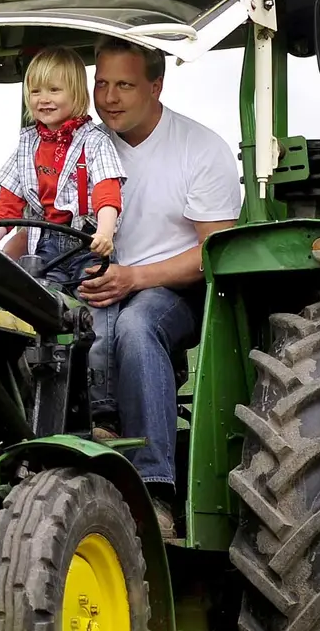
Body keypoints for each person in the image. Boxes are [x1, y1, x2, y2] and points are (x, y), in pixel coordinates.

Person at [77, 37, 243, 539]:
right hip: (95, 284)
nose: (109, 98)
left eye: (124, 85)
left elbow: (214, 253)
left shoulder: (198, 148)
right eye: (100, 84)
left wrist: (134, 277)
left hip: (176, 290)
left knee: (137, 322)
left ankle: (155, 486)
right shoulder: (81, 145)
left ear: (156, 85)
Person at [0, 45, 127, 289]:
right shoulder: (27, 145)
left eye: (54, 90)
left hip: (86, 243)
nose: (43, 99)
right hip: (45, 246)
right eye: (35, 91)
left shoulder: (94, 142)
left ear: (76, 94)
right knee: (41, 304)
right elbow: (7, 207)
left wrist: (104, 233)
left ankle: (103, 328)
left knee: (95, 297)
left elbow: (106, 191)